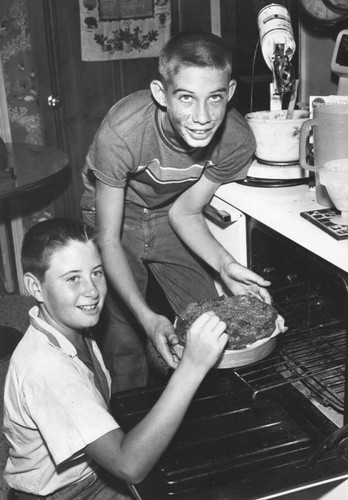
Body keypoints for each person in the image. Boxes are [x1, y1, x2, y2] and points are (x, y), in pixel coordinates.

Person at [80, 31, 271, 392]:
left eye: (214, 98)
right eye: (186, 98)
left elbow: (185, 212)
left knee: (211, 324)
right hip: (114, 218)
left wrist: (225, 264)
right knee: (122, 338)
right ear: (160, 94)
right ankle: (128, 428)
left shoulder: (237, 139)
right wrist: (148, 319)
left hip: (172, 210)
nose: (202, 117)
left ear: (229, 94)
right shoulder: (123, 130)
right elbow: (107, 238)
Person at [2, 218, 228, 499]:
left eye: (96, 273)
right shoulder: (47, 370)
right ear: (35, 288)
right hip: (65, 493)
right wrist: (192, 368)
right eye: (73, 278)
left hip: (91, 472)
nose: (92, 291)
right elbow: (129, 466)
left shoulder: (71, 325)